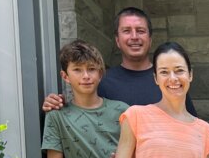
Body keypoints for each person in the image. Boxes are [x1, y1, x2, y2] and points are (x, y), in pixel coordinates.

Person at [41, 7, 197, 113]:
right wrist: (58, 106)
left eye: (140, 31)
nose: (134, 37)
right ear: (117, 40)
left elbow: (189, 125)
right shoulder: (101, 80)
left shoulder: (169, 81)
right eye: (127, 31)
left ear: (150, 39)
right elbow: (82, 115)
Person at [41, 40, 126, 158]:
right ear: (65, 76)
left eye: (91, 69)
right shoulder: (57, 116)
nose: (86, 76)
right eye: (77, 70)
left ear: (100, 73)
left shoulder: (122, 110)